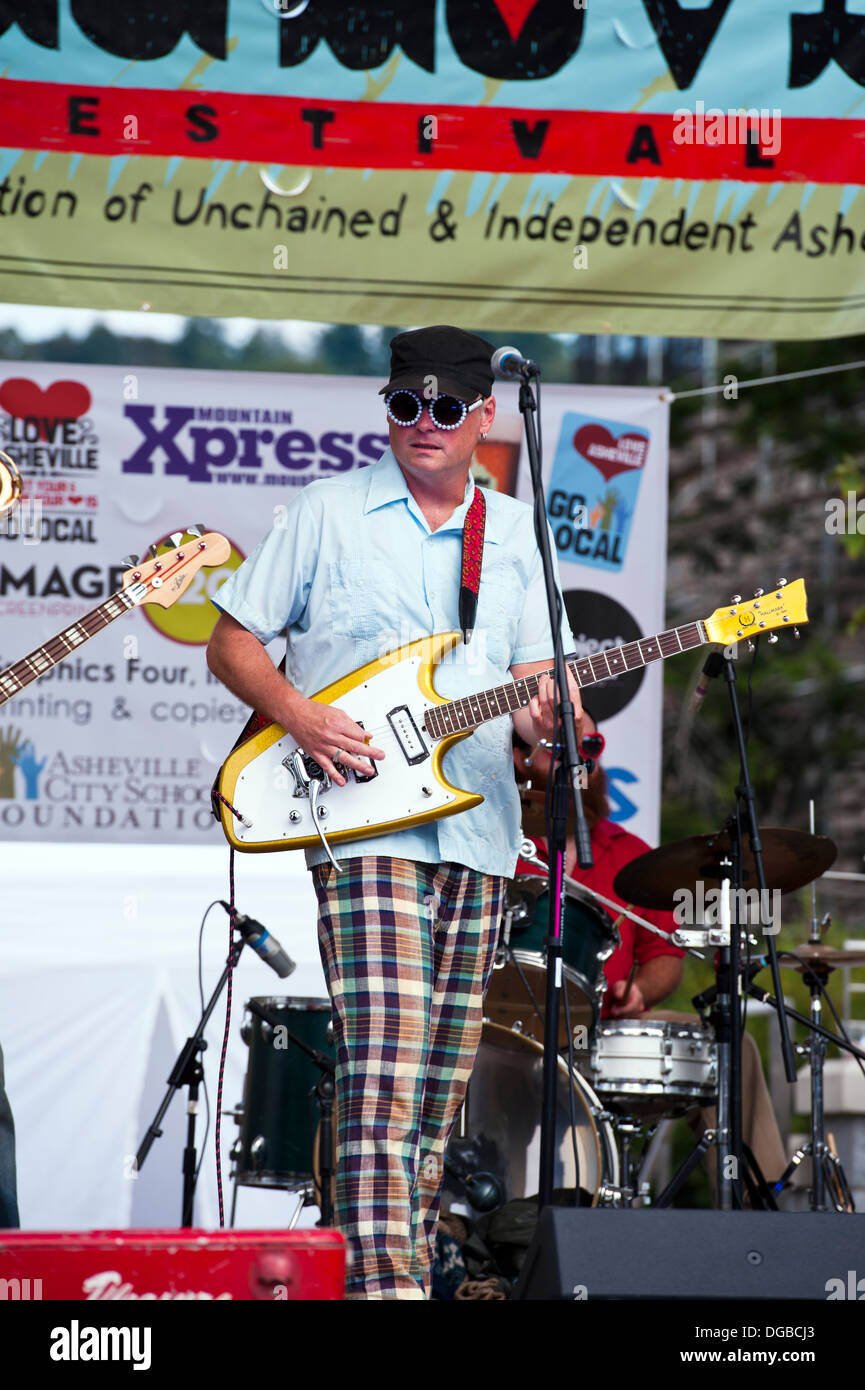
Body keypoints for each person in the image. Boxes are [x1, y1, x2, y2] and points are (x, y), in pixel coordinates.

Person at [206, 325, 581, 1299]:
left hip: (483, 830)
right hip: (361, 828)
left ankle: (390, 1269)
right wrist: (300, 713)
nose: (423, 424)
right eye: (405, 405)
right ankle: (393, 1292)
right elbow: (231, 642)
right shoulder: (327, 510)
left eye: (446, 408)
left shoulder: (516, 533)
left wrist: (554, 723)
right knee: (383, 1066)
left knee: (433, 1094)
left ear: (485, 417)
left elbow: (539, 686)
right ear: (388, 408)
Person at [513, 712, 787, 1196]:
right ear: (524, 758)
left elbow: (666, 956)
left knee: (732, 1049)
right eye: (560, 749)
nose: (578, 764)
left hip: (602, 1029)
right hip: (510, 1032)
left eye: (589, 750)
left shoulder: (634, 855)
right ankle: (493, 1233)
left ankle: (758, 1213)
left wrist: (638, 990)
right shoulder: (497, 845)